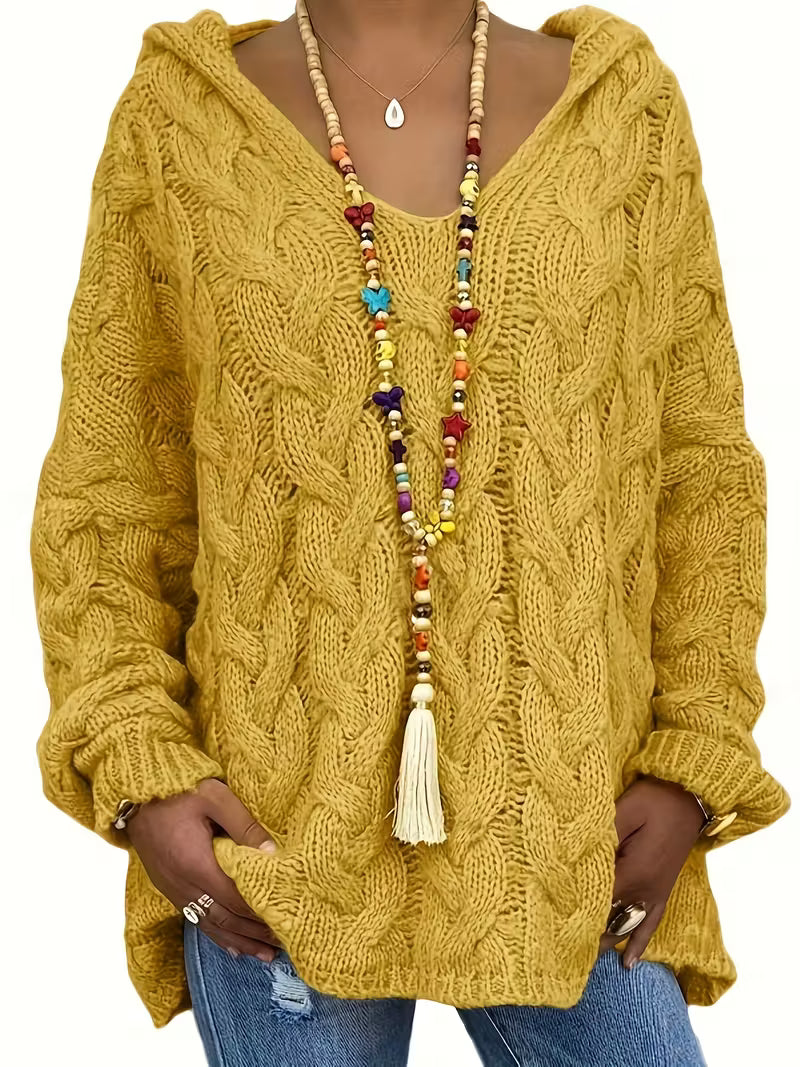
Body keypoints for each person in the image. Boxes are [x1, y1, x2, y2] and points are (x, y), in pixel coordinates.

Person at [30, 2, 790, 1065]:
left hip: (573, 830)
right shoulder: (181, 120)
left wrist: (693, 759)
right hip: (274, 843)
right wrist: (139, 765)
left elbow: (701, 472)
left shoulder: (623, 111)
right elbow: (110, 494)